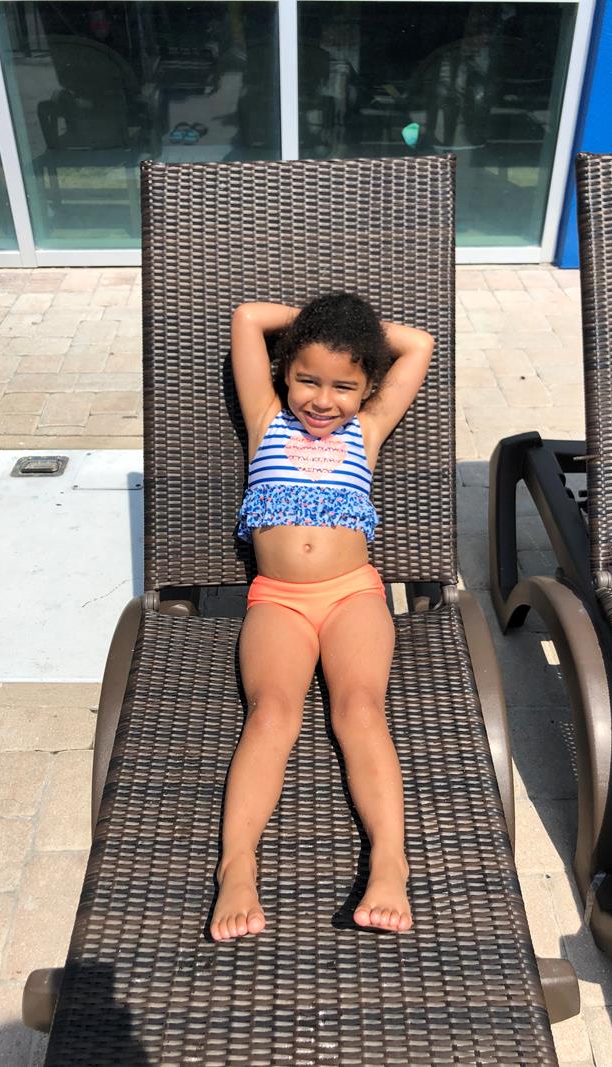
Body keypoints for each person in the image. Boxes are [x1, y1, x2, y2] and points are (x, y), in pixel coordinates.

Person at [210, 293, 434, 942]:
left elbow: (416, 342)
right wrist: (316, 326)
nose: (322, 398)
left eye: (344, 386)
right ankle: (237, 867)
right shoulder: (266, 418)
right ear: (285, 373)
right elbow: (248, 317)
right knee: (271, 712)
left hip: (353, 595)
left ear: (367, 389)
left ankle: (389, 862)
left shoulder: (368, 427)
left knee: (361, 708)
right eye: (307, 378)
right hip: (277, 597)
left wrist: (357, 333)